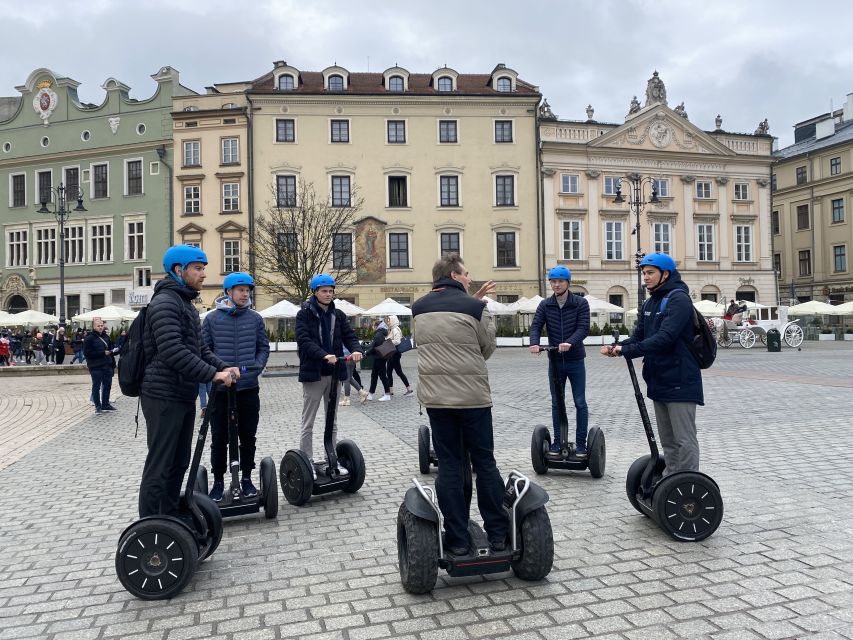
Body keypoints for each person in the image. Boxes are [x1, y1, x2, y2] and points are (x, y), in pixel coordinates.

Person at [412, 254, 509, 555]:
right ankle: (497, 536)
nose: (470, 278)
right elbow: (486, 348)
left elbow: (419, 344)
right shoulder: (476, 308)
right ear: (455, 276)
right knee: (485, 463)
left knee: (450, 466)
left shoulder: (417, 308)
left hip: (437, 401)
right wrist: (482, 308)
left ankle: (456, 539)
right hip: (473, 400)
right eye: (466, 274)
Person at [137, 244, 240, 519]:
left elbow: (200, 349)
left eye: (204, 268)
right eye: (198, 268)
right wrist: (211, 375)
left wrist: (222, 367)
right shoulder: (165, 303)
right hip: (162, 396)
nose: (203, 274)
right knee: (160, 464)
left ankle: (170, 518)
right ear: (178, 270)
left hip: (181, 394)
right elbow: (172, 350)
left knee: (179, 462)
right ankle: (150, 526)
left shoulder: (184, 303)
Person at [600, 252, 702, 475]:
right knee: (668, 439)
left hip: (681, 380)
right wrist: (617, 349)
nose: (645, 277)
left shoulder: (679, 299)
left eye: (650, 273)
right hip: (658, 379)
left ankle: (688, 483)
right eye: (644, 273)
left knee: (684, 438)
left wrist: (627, 350)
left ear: (665, 274)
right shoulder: (651, 301)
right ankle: (670, 480)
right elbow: (640, 337)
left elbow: (665, 337)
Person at [202, 272, 270, 502]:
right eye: (240, 290)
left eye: (247, 290)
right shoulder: (211, 319)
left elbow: (263, 348)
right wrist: (222, 371)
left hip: (248, 388)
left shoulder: (255, 318)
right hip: (220, 391)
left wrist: (256, 367)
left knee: (247, 436)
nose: (245, 294)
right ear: (228, 292)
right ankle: (219, 481)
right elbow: (205, 351)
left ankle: (247, 479)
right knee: (219, 437)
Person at [295, 274, 363, 476]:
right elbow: (304, 341)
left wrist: (356, 349)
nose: (328, 294)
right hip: (314, 374)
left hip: (334, 374)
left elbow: (349, 336)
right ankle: (307, 462)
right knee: (308, 421)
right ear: (315, 292)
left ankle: (331, 459)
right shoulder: (304, 314)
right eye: (324, 291)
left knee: (332, 420)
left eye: (331, 291)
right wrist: (324, 355)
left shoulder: (339, 315)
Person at [528, 266, 591, 457]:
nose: (556, 285)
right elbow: (536, 326)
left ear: (568, 283)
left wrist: (570, 343)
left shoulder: (580, 303)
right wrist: (534, 343)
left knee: (580, 402)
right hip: (555, 361)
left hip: (575, 360)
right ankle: (557, 442)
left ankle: (581, 444)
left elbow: (583, 328)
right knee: (557, 402)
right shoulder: (545, 305)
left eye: (560, 281)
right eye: (553, 282)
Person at [83, 320, 118, 414]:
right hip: (96, 366)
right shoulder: (89, 338)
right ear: (94, 327)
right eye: (98, 326)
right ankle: (98, 406)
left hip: (107, 365)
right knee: (96, 386)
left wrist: (115, 350)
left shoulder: (106, 337)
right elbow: (87, 353)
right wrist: (102, 353)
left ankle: (105, 404)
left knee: (107, 385)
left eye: (102, 325)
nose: (100, 327)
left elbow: (111, 349)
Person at [384, 314, 413, 396]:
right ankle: (390, 391)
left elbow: (397, 341)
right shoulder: (391, 329)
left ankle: (409, 389)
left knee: (399, 372)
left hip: (395, 354)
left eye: (389, 320)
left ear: (393, 320)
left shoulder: (395, 329)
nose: (388, 322)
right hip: (391, 353)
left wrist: (388, 341)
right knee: (389, 372)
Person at [364, 319, 392, 401]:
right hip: (379, 357)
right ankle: (371, 394)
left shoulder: (378, 334)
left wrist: (366, 353)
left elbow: (374, 347)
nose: (372, 327)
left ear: (376, 326)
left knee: (382, 376)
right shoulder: (381, 333)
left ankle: (387, 395)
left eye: (373, 326)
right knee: (374, 376)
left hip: (379, 358)